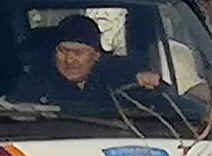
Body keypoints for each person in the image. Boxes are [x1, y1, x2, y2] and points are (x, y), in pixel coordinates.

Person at [11, 15, 160, 109]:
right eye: (63, 51)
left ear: (96, 55)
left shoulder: (121, 75)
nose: (69, 60)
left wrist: (150, 82)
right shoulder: (32, 83)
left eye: (78, 53)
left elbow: (162, 102)